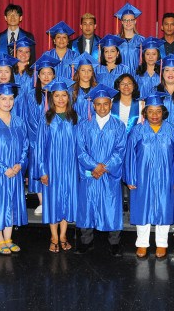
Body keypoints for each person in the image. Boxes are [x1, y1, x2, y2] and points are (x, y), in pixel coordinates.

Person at [125, 91, 174, 259]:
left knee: (163, 207)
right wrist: (131, 177)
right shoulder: (137, 130)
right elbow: (129, 155)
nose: (154, 115)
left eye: (158, 111)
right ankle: (142, 243)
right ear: (145, 112)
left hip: (166, 175)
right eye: (150, 111)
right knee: (143, 208)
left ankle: (162, 243)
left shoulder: (172, 130)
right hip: (142, 176)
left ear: (163, 112)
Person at [75, 84, 127, 257]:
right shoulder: (83, 125)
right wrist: (94, 166)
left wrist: (104, 167)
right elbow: (80, 151)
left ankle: (114, 242)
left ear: (111, 104)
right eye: (98, 104)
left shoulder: (119, 125)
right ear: (93, 105)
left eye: (106, 103)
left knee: (111, 205)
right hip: (90, 174)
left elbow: (120, 151)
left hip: (109, 174)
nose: (102, 107)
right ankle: (86, 240)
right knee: (87, 205)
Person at [0, 82, 29, 255]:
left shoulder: (19, 121)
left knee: (13, 204)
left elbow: (25, 145)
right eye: (3, 99)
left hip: (15, 171)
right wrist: (4, 169)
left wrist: (20, 164)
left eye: (10, 99)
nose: (7, 102)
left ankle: (8, 238)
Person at [35, 77, 79, 253]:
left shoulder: (74, 117)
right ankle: (54, 236)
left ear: (68, 97)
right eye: (57, 95)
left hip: (69, 167)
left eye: (64, 95)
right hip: (52, 166)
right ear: (51, 98)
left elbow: (79, 145)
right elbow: (39, 147)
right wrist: (43, 171)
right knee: (53, 201)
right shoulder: (46, 118)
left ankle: (63, 236)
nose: (60, 99)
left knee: (66, 200)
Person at [25, 54, 60, 214]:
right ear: (38, 75)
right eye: (43, 73)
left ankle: (54, 200)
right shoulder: (32, 95)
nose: (46, 77)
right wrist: (38, 140)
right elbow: (29, 119)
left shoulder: (59, 94)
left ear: (54, 75)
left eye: (49, 73)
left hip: (56, 140)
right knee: (39, 166)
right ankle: (42, 202)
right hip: (36, 139)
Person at [115, 3, 145, 71]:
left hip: (136, 77)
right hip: (119, 76)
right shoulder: (115, 40)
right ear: (122, 22)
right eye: (125, 20)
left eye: (131, 20)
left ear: (135, 21)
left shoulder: (142, 40)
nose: (128, 23)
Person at [70, 53, 99, 120]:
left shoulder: (97, 90)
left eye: (89, 70)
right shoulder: (71, 91)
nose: (86, 73)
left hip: (93, 126)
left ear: (92, 73)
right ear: (78, 72)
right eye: (83, 70)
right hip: (76, 126)